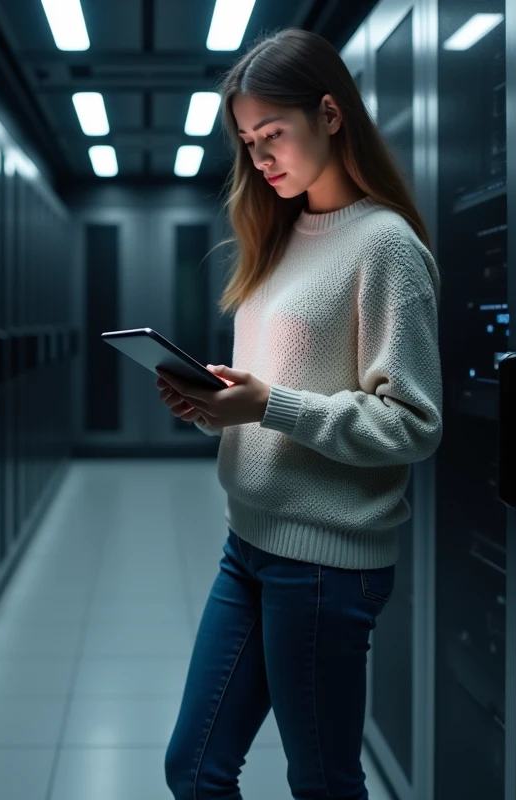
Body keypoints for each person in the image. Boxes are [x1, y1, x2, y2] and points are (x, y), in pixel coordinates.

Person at [154, 27, 443, 800]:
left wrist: (270, 404)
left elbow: (413, 423)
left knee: (321, 782)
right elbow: (271, 396)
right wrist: (215, 408)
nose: (260, 158)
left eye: (273, 134)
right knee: (193, 768)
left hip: (325, 564)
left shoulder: (386, 246)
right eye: (248, 143)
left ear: (330, 113)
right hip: (247, 542)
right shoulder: (278, 237)